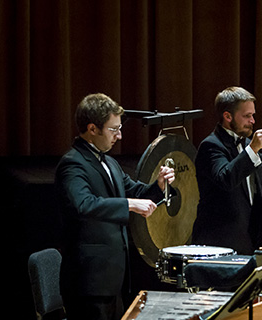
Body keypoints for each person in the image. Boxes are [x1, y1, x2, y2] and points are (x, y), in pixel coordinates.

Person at [55, 93, 175, 320]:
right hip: (88, 283)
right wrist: (130, 204)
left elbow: (135, 191)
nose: (119, 136)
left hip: (113, 280)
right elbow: (83, 204)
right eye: (113, 129)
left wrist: (158, 185)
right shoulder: (72, 164)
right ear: (92, 129)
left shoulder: (109, 162)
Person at [192, 86, 262, 255]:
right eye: (247, 116)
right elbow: (226, 178)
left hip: (248, 238)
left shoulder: (246, 144)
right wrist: (253, 149)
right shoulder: (211, 146)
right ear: (227, 116)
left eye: (253, 115)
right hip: (220, 241)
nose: (253, 121)